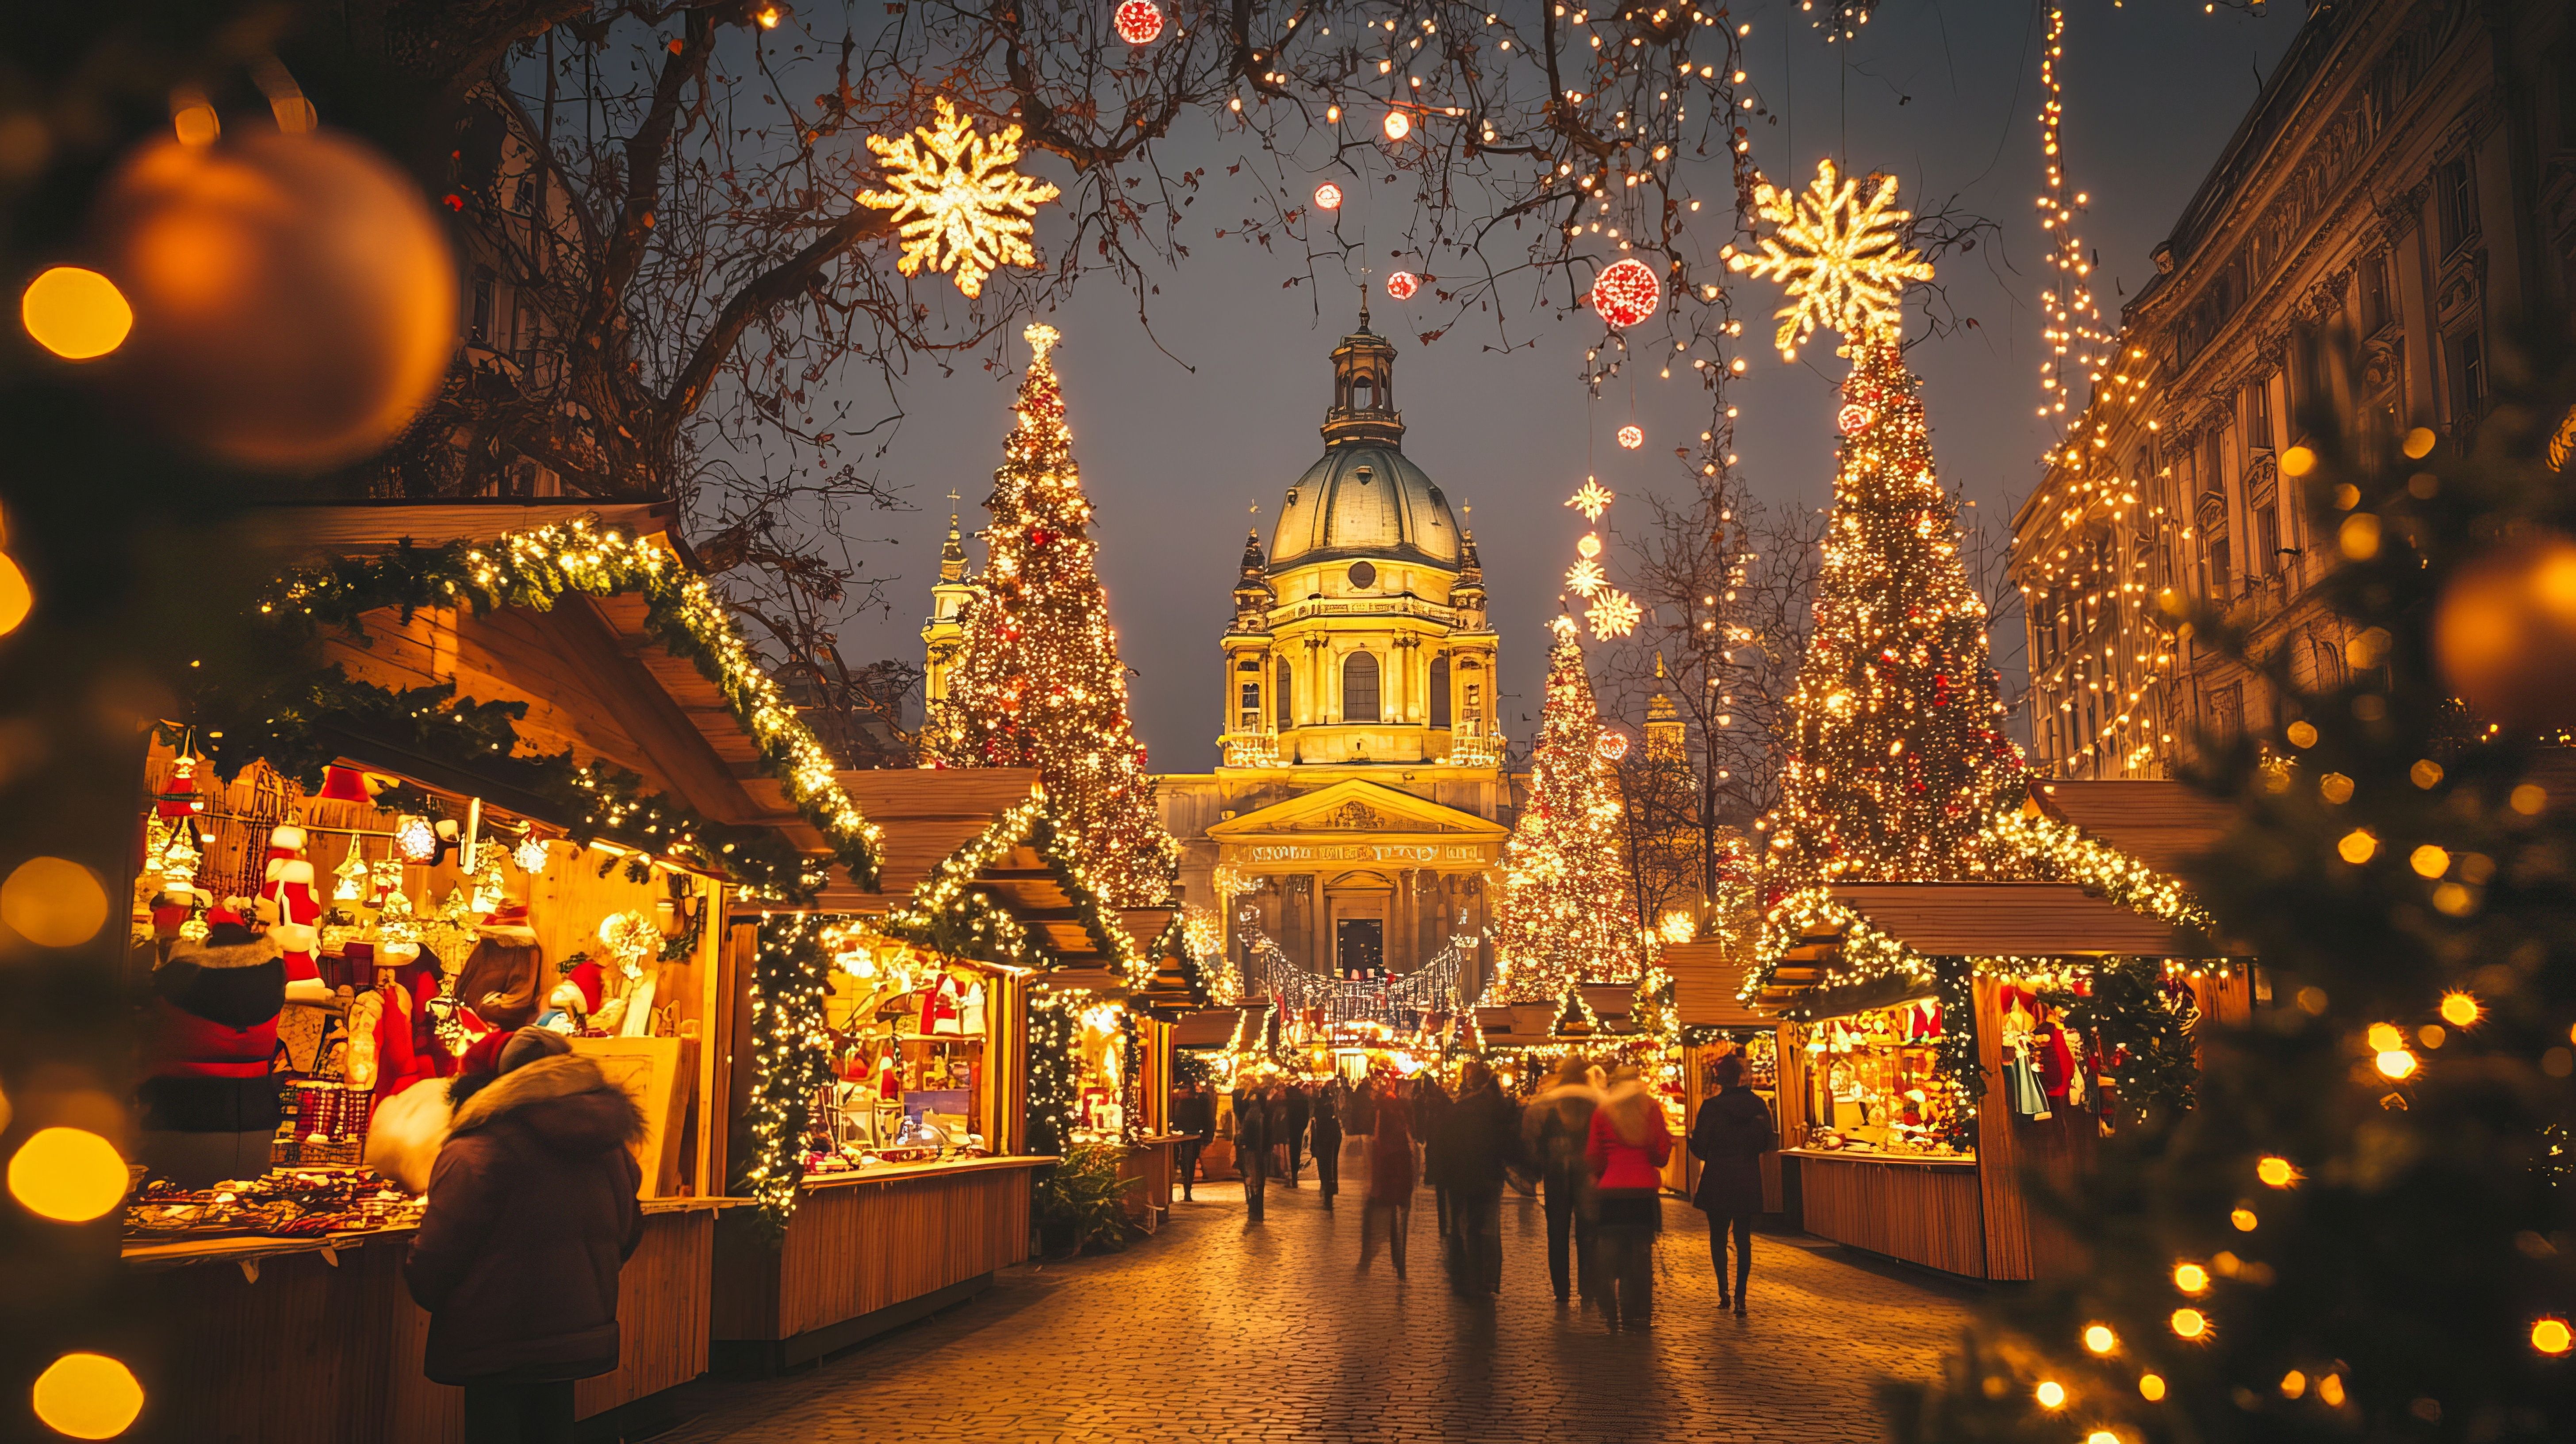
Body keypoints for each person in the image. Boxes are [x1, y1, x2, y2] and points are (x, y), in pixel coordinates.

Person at [404, 1028, 645, 1444]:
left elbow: (436, 1258)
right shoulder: (609, 1147)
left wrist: (427, 1287)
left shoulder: (478, 1149)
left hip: (494, 1339)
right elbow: (627, 1234)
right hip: (571, 1333)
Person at [1586, 1066, 1673, 1330]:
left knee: (1609, 1250)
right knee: (1641, 1255)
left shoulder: (1603, 1112)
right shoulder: (1651, 1109)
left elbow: (1594, 1154)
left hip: (1611, 1190)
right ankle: (1639, 1314)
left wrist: (1601, 1174)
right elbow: (1661, 1151)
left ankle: (1610, 1308)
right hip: (1644, 1191)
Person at [1690, 1052, 1775, 1314]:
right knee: (1743, 1237)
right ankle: (1741, 1295)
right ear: (1740, 1076)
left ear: (1719, 1079)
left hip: (1718, 1175)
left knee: (1718, 1236)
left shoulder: (1711, 1107)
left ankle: (1723, 1291)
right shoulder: (1758, 1105)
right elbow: (1768, 1142)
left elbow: (1700, 1147)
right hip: (1747, 1174)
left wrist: (1710, 1151)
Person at [1523, 1055, 1604, 1308]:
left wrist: (1538, 1162)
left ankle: (1562, 1291)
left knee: (1557, 1234)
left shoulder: (1548, 1102)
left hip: (1556, 1174)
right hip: (1587, 1175)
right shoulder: (1596, 1102)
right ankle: (1588, 1289)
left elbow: (1530, 1133)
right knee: (1588, 1233)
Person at [1435, 1060, 1518, 1296]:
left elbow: (1445, 1142)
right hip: (1490, 1175)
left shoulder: (1460, 1108)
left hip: (1462, 1174)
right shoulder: (1498, 1109)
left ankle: (1470, 1276)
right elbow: (1509, 1143)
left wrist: (1443, 1173)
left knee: (1466, 1225)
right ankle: (1488, 1278)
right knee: (1487, 1226)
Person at [1360, 1081, 1416, 1277]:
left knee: (1376, 1218)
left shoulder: (1384, 1116)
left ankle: (1372, 1258)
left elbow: (1379, 1146)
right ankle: (1398, 1260)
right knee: (1396, 1219)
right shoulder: (1400, 1116)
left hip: (1388, 1176)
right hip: (1399, 1175)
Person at [1413, 1074, 1453, 1238]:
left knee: (1443, 1192)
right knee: (1443, 1193)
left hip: (1441, 1148)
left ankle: (1446, 1227)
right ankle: (1446, 1227)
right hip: (1440, 1148)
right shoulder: (1438, 1103)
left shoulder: (1436, 1104)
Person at [1171, 1080, 1215, 1202]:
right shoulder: (1183, 1102)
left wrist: (1207, 1137)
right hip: (1186, 1136)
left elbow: (1208, 1120)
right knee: (1186, 1164)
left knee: (1188, 1164)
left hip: (1192, 1136)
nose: (1181, 1093)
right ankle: (1186, 1192)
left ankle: (1187, 1192)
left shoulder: (1198, 1102)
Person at [1233, 1084, 1270, 1225]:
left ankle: (1254, 1206)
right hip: (1258, 1149)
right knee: (1257, 1178)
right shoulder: (1262, 1112)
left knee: (1252, 1177)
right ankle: (1256, 1207)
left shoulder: (1251, 1113)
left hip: (1251, 1149)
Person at [1310, 1082, 1343, 1208]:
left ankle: (1325, 1184)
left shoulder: (1319, 1115)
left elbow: (1315, 1129)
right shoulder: (1332, 1114)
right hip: (1332, 1139)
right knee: (1332, 1164)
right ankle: (1331, 1184)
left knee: (1323, 1164)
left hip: (1323, 1140)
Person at [1282, 1082, 1312, 1186]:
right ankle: (1295, 1176)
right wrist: (1303, 1127)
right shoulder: (1304, 1100)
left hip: (1291, 1128)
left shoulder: (1289, 1101)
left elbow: (1287, 1116)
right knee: (1297, 1151)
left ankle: (1293, 1176)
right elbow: (1306, 1116)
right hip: (1298, 1129)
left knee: (1291, 1151)